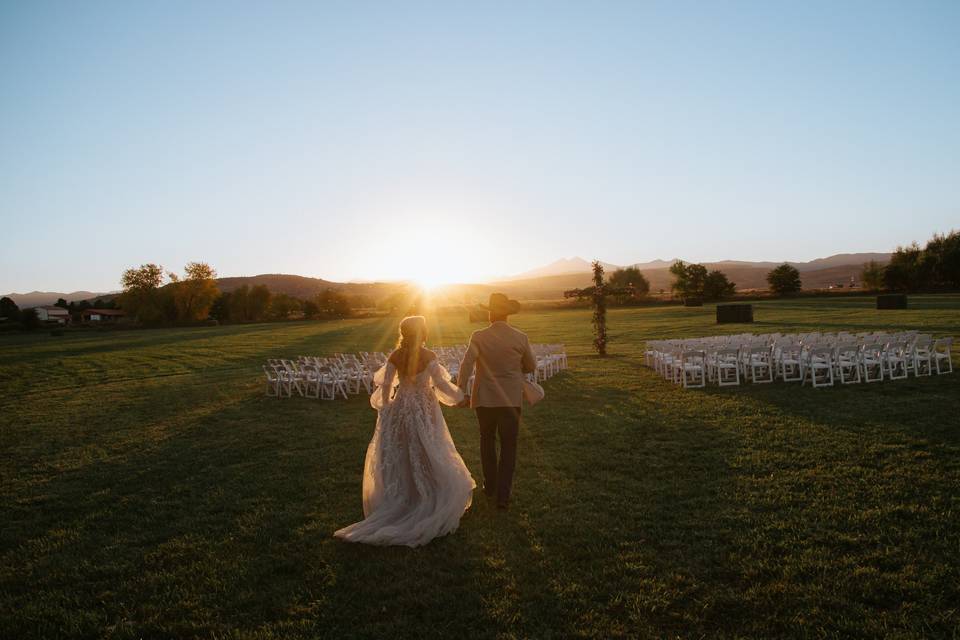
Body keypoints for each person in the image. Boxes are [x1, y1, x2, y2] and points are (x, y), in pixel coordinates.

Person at [334, 316, 475, 547]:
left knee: (405, 452)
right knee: (429, 447)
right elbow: (440, 385)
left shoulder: (395, 356)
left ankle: (408, 495)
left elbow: (387, 386)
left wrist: (388, 407)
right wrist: (460, 397)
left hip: (401, 408)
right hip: (424, 407)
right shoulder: (429, 356)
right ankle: (428, 494)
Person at [457, 293, 536, 509]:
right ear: (508, 315)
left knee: (487, 440)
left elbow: (466, 365)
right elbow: (531, 366)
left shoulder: (479, 336)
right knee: (509, 445)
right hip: (510, 398)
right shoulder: (520, 337)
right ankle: (503, 494)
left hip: (484, 398)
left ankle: (490, 485)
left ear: (490, 313)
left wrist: (461, 391)